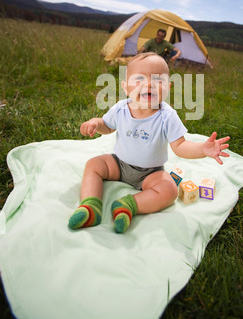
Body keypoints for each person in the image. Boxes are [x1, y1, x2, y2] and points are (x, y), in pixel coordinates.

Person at [68, 52, 230, 233]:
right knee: (93, 165)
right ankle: (91, 206)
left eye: (158, 80)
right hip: (119, 164)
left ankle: (128, 205)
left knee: (169, 190)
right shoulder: (121, 109)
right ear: (126, 87)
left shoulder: (167, 116)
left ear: (167, 87)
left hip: (150, 173)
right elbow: (107, 126)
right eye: (139, 79)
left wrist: (203, 149)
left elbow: (180, 146)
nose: (148, 84)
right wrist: (95, 123)